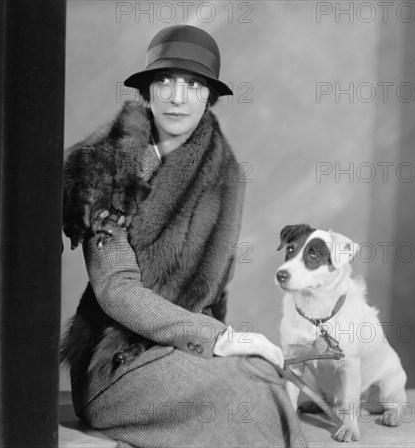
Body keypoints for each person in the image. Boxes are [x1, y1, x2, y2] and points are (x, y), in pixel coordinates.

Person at [61, 25, 308, 447]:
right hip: (117, 359)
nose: (178, 97)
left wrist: (225, 350)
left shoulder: (225, 171)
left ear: (209, 96)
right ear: (148, 91)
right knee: (240, 397)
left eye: (193, 84)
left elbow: (215, 291)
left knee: (262, 378)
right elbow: (115, 289)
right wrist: (217, 340)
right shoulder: (105, 164)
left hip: (186, 345)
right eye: (165, 82)